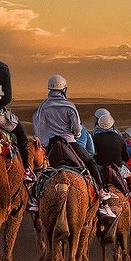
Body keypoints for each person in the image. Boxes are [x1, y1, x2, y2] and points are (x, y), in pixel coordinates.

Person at [31, 74, 114, 217]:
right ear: (65, 89)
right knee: (90, 162)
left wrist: (45, 141)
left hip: (49, 144)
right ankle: (101, 193)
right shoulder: (69, 106)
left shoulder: (43, 107)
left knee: (37, 169)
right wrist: (73, 135)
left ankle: (34, 199)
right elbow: (77, 129)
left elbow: (38, 127)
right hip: (69, 142)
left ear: (49, 89)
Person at [91, 108, 131, 195]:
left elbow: (92, 153)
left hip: (100, 168)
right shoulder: (119, 137)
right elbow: (126, 157)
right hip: (117, 167)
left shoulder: (94, 137)